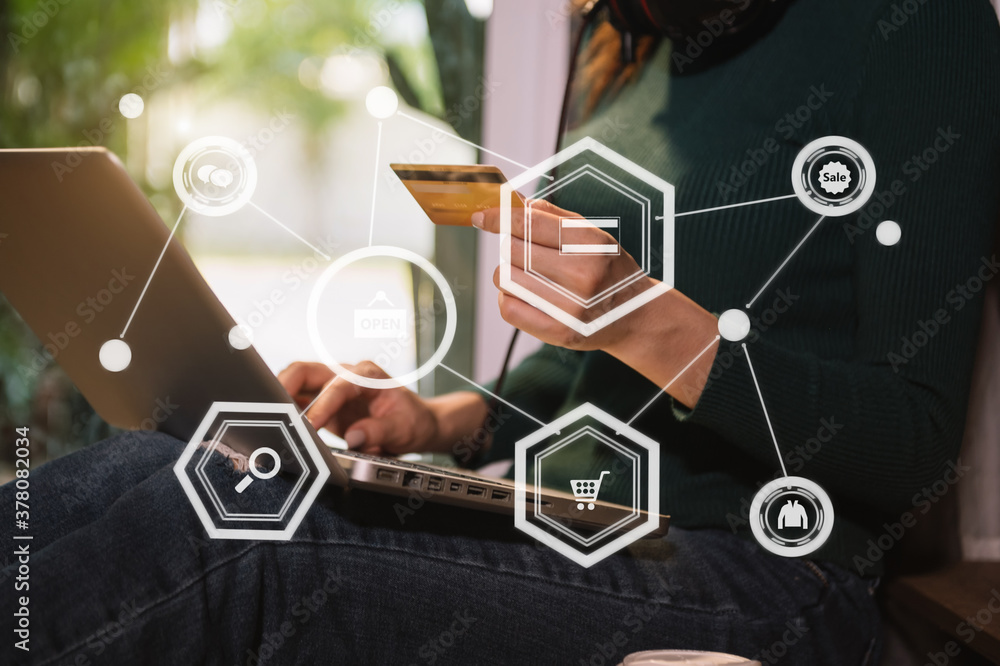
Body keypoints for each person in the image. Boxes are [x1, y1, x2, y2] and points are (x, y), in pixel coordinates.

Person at [4, 0, 1000, 663]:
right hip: (587, 516)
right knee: (157, 469)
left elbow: (909, 447)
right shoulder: (637, 50)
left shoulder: (913, 30)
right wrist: (435, 423)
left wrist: (648, 320)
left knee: (209, 535)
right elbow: (583, 390)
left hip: (766, 569)